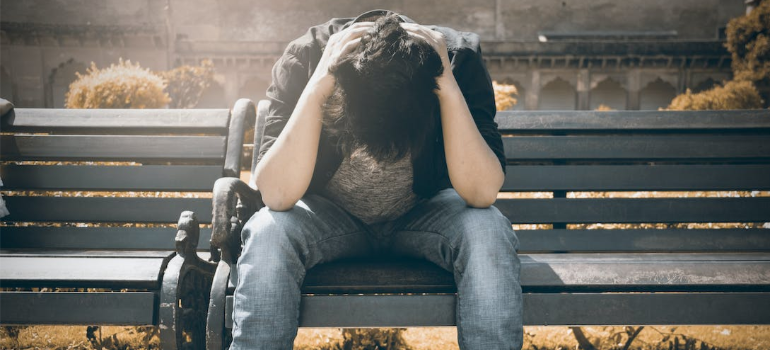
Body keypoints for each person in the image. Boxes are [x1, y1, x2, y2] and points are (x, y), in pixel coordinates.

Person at [231, 9, 522, 350]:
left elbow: (482, 192)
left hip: (424, 213)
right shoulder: (307, 57)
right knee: (268, 231)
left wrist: (446, 87)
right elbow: (277, 195)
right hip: (329, 217)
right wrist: (318, 87)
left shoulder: (456, 60)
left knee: (487, 228)